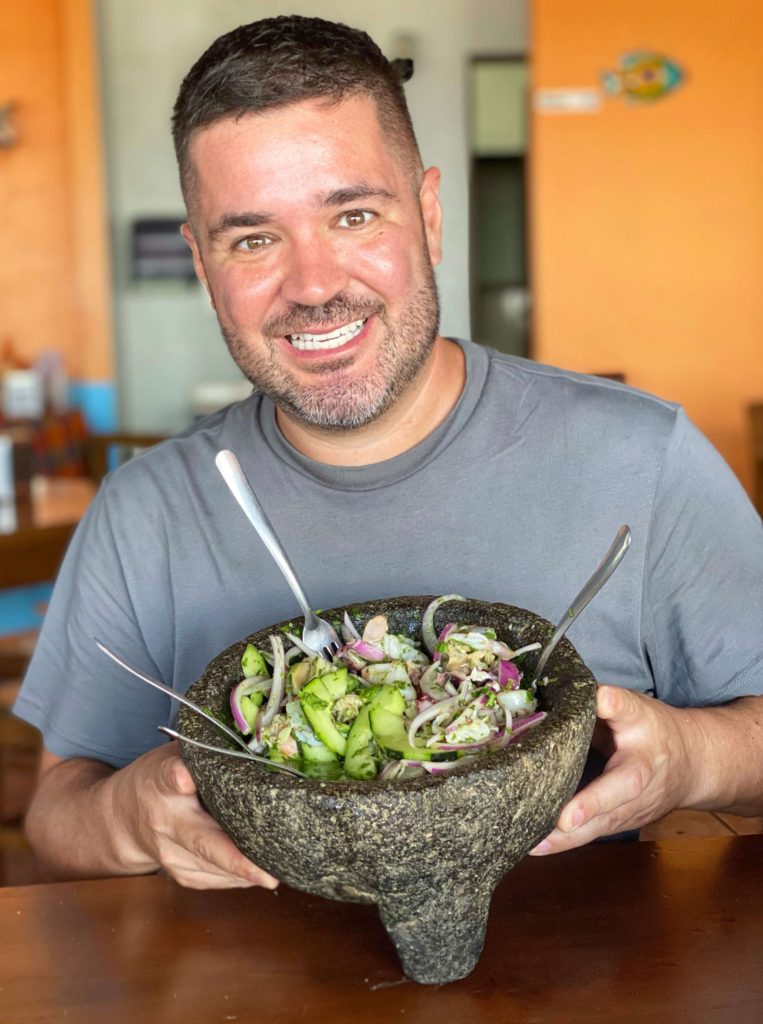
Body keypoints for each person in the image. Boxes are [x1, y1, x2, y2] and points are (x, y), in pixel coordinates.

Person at [14, 16, 763, 888]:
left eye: (354, 214)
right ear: (202, 262)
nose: (315, 285)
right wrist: (125, 816)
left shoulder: (644, 457)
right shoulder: (146, 508)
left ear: (430, 215)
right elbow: (56, 810)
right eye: (252, 239)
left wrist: (692, 758)